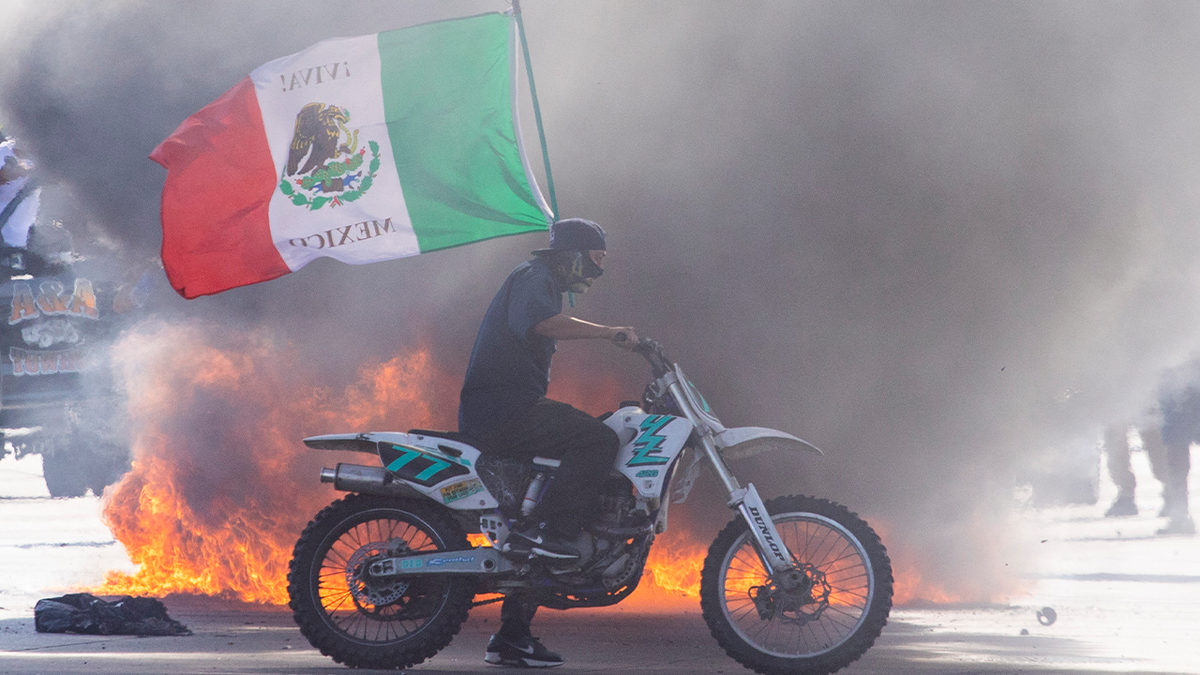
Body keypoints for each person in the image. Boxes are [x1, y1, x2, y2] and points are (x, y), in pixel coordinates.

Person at [458, 217, 638, 668]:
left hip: (510, 407)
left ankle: (512, 636)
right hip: (502, 410)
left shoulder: (543, 284)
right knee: (597, 442)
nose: (597, 272)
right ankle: (551, 534)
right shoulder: (534, 278)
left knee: (563, 484)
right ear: (573, 254)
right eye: (594, 260)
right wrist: (606, 332)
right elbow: (539, 324)